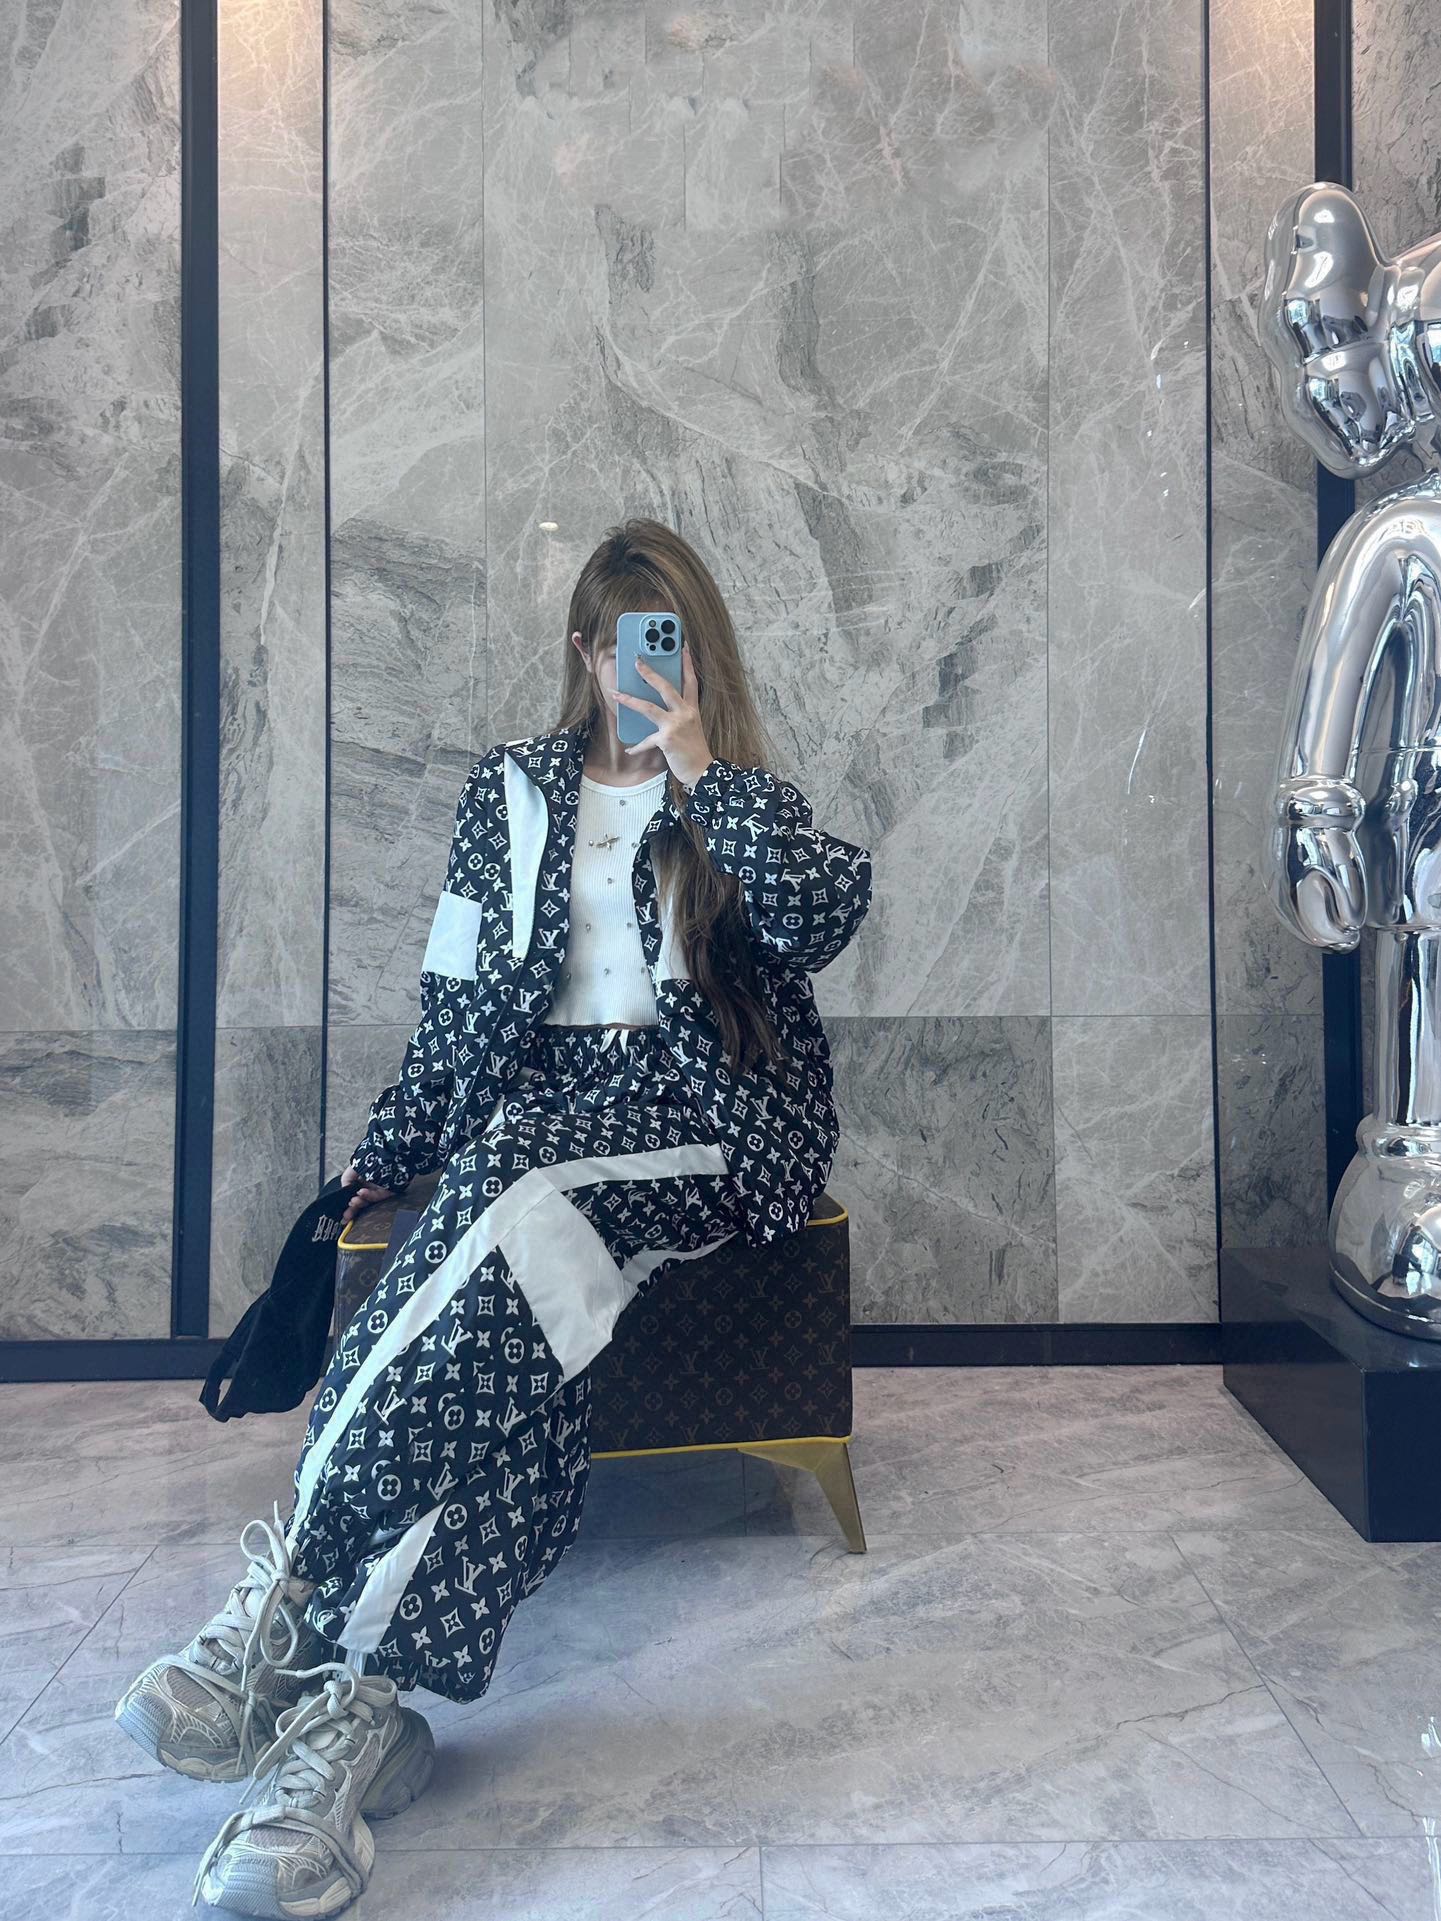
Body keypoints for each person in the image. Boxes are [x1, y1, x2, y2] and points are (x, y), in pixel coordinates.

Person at [112, 517, 874, 1918]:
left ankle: (286, 1597)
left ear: (700, 653)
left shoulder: (743, 802)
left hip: (705, 1119)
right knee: (514, 1299)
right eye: (622, 645)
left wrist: (699, 768)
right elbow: (456, 997)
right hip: (538, 1121)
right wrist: (388, 1153)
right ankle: (355, 1722)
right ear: (582, 652)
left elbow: (825, 916)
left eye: (670, 645)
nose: (644, 671)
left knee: (519, 1175)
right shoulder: (509, 791)